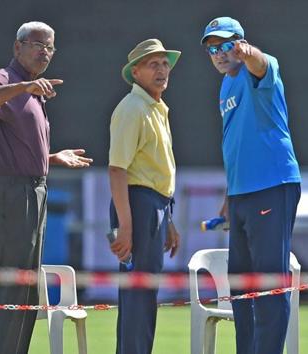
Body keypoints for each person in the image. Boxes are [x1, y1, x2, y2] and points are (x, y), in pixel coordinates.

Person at [0, 21, 92, 354]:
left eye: (50, 46)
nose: (44, 51)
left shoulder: (31, 91)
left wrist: (52, 157)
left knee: (27, 288)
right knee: (15, 286)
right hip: (11, 193)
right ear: (17, 47)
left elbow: (20, 151)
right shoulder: (7, 79)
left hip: (32, 190)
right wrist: (24, 87)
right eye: (36, 44)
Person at [200, 17, 302, 354]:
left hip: (271, 185)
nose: (218, 53)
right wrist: (231, 194)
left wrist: (247, 53)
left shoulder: (258, 64)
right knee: (240, 285)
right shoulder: (226, 84)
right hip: (243, 194)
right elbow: (236, 142)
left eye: (226, 44)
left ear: (241, 43)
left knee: (269, 284)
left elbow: (260, 62)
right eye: (212, 48)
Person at [108, 38, 181, 354]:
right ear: (135, 72)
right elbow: (117, 170)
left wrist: (169, 219)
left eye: (165, 63)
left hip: (153, 206)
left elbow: (156, 172)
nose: (162, 69)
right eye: (154, 63)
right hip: (137, 206)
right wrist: (127, 225)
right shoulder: (132, 108)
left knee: (144, 294)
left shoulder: (155, 108)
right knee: (139, 296)